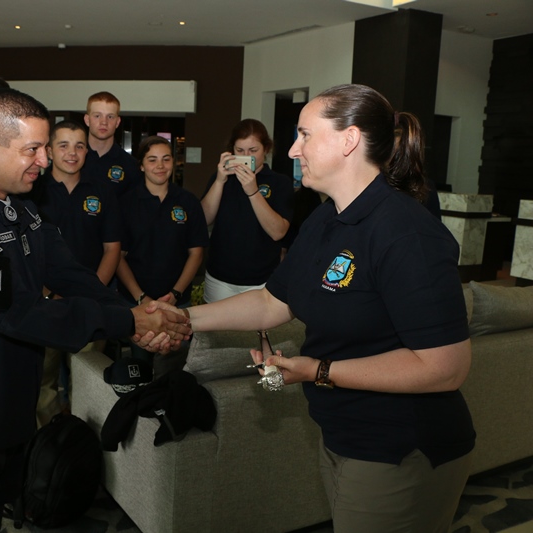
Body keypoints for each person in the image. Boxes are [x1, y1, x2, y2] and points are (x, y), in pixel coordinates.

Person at [149, 84, 475, 533]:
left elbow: (445, 368)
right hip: (339, 434)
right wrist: (181, 317)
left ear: (349, 140)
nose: (292, 149)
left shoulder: (406, 233)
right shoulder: (325, 218)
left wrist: (318, 371)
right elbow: (272, 301)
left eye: (304, 135)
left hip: (400, 446)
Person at [0, 88, 189, 532]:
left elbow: (67, 272)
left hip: (13, 405)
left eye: (44, 148)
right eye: (32, 149)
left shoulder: (20, 206)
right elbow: (19, 313)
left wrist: (131, 313)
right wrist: (127, 320)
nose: (44, 160)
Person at [30, 119, 122, 426]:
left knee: (89, 381)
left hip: (89, 306)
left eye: (79, 146)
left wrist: (90, 292)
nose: (72, 153)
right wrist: (48, 294)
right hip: (44, 305)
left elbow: (112, 249)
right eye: (64, 145)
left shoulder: (103, 192)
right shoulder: (32, 191)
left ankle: (85, 444)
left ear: (86, 152)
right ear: (49, 151)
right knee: (42, 384)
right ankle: (50, 442)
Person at [117, 135, 208, 362]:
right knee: (140, 365)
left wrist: (175, 295)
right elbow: (117, 257)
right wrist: (141, 298)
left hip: (178, 302)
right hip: (137, 303)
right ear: (141, 165)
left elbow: (196, 253)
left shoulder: (188, 202)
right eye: (152, 160)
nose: (160, 166)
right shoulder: (126, 203)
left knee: (175, 366)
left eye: (166, 159)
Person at [200, 119, 294, 302]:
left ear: (266, 149)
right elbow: (203, 219)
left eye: (253, 150)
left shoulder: (280, 183)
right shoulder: (221, 179)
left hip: (261, 279)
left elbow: (278, 232)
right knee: (216, 319)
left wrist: (253, 191)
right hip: (219, 276)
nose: (246, 156)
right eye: (240, 150)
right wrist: (219, 181)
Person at [82, 91, 143, 198]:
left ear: (117, 122)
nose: (104, 122)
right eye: (97, 116)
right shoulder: (73, 159)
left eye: (110, 117)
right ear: (87, 120)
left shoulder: (131, 166)